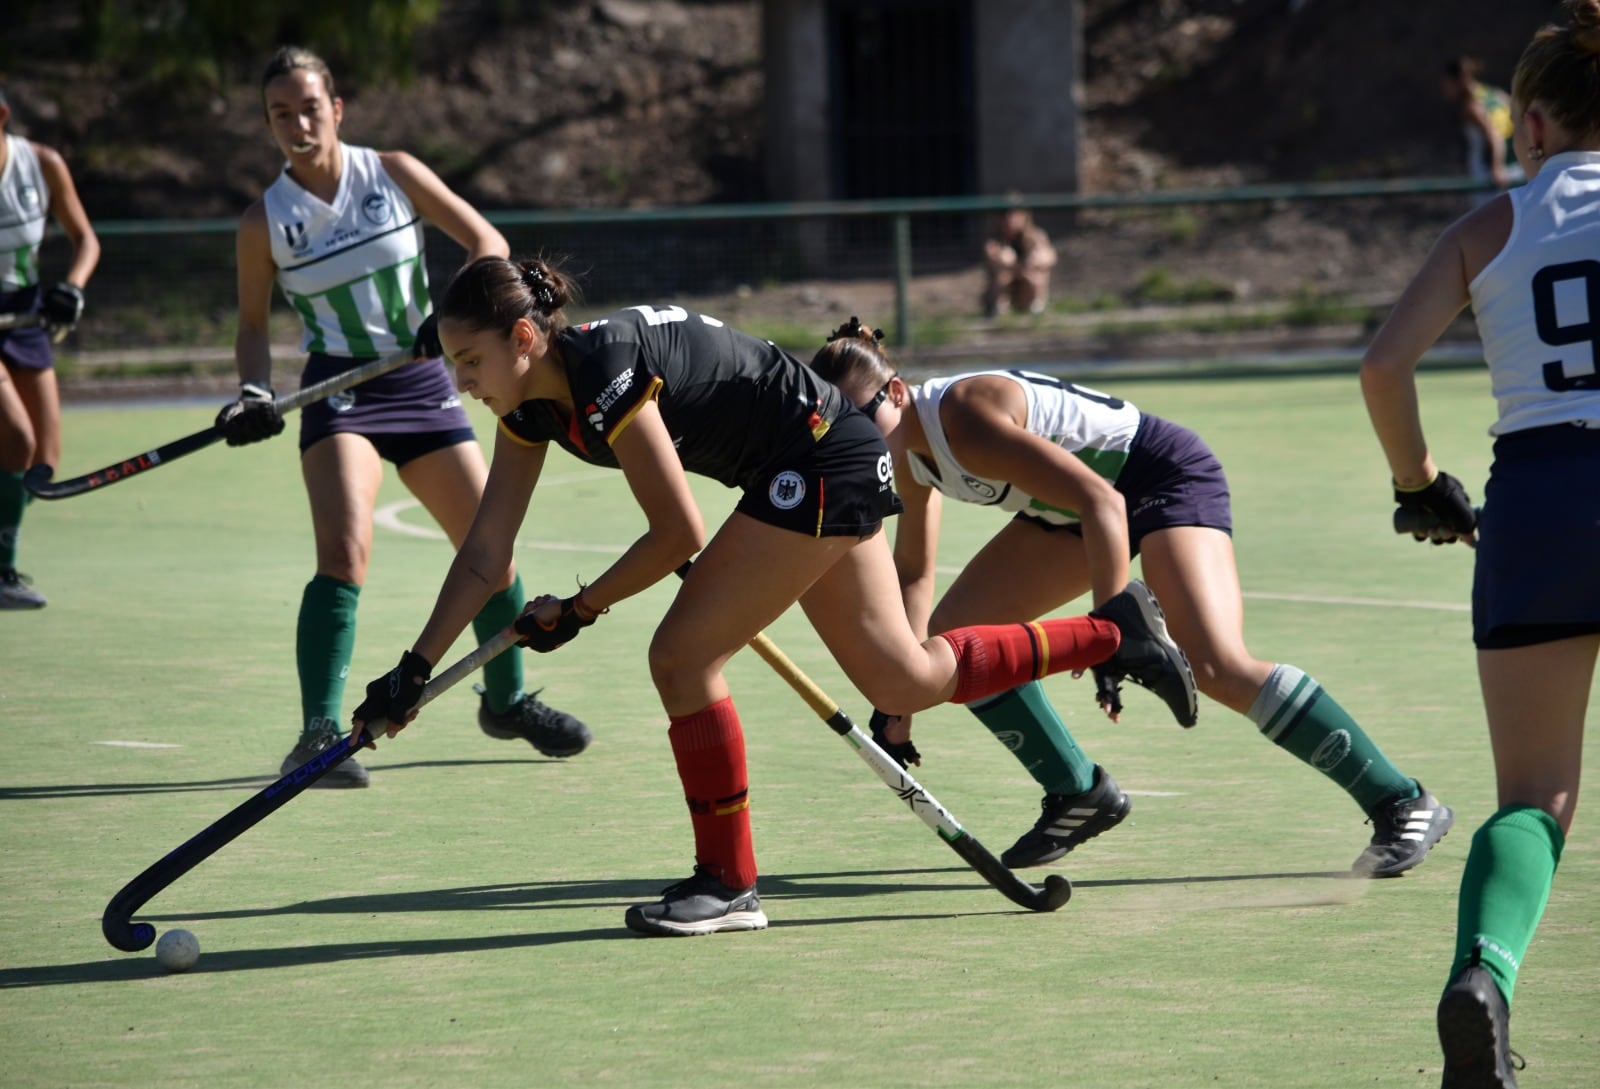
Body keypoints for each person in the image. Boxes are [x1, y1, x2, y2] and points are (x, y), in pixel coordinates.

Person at [349, 254, 1196, 937]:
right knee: (905, 680)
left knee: (681, 658)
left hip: (821, 454)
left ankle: (727, 882)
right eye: (455, 364)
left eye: (471, 362)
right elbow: (487, 552)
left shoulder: (602, 369)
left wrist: (578, 608)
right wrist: (412, 669)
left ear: (525, 337)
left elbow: (675, 531)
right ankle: (1113, 632)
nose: (461, 382)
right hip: (811, 459)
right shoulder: (530, 408)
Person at [810, 320, 1455, 879]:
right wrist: (899, 696)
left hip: (1159, 479)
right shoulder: (909, 455)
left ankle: (1401, 800)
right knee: (958, 640)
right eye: (839, 428)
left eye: (863, 419)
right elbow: (915, 571)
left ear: (897, 393)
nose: (856, 439)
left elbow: (1104, 502)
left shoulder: (962, 417)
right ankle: (1076, 792)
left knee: (1217, 664)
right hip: (1070, 512)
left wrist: (1111, 624)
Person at [216, 47, 588, 788]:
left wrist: (453, 314)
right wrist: (255, 391)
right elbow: (253, 326)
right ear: (267, 124)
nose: (297, 123)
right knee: (345, 551)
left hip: (422, 383)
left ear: (337, 108)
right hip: (341, 392)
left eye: (309, 107)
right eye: (279, 114)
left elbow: (489, 243)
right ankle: (318, 730)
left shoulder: (391, 172)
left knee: (493, 551)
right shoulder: (264, 221)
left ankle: (506, 700)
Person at [1362, 4, 1600, 1083]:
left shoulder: (1489, 224)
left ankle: (1484, 976)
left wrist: (1417, 484)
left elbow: (1382, 367)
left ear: (1538, 120)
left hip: (1538, 500)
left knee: (1533, 795)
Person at [0, 82, 99, 609]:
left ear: (2, 114)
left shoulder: (40, 165)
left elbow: (86, 239)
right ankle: (2, 569)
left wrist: (73, 287)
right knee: (14, 439)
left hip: (25, 315)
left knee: (41, 463)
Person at [1442, 56, 1524, 194]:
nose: (1445, 88)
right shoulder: (1496, 94)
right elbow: (1521, 120)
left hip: (1489, 174)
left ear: (1459, 80)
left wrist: (1497, 167)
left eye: (1447, 82)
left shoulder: (1471, 107)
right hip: (1516, 165)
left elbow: (1494, 134)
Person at [982, 206, 1057, 317]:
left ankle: (1037, 308)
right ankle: (1001, 310)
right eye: (1005, 215)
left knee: (1038, 273)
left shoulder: (1035, 236)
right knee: (1003, 273)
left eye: (1015, 214)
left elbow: (1049, 258)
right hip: (1006, 287)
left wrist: (1033, 262)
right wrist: (1014, 266)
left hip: (1026, 284)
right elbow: (994, 258)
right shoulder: (995, 240)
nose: (1010, 219)